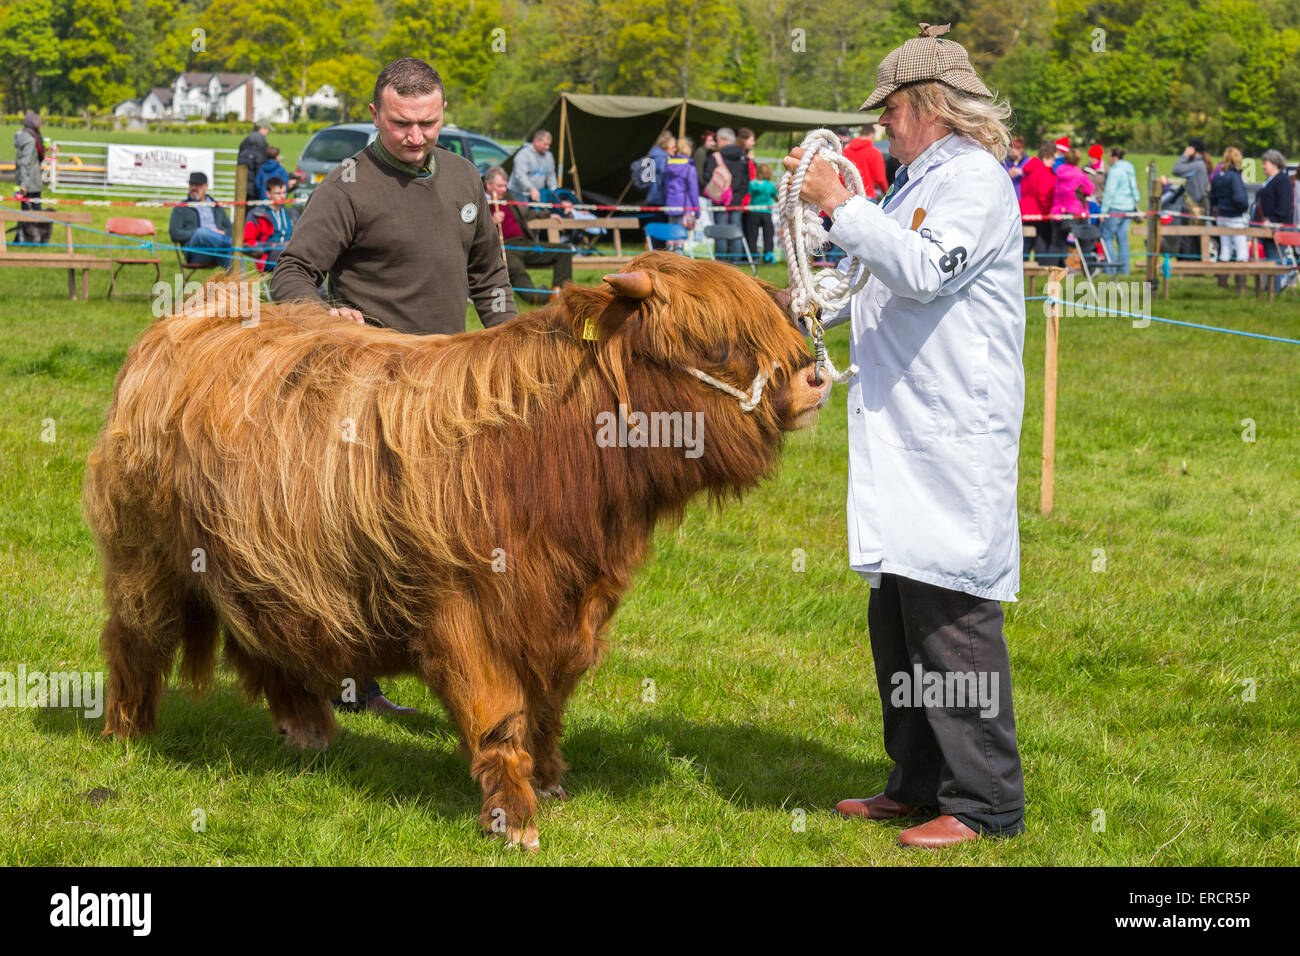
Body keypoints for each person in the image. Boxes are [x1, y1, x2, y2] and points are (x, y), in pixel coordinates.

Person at [782, 22, 1027, 848]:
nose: (881, 123)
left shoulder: (976, 183)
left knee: (952, 618)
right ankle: (918, 781)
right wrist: (800, 298)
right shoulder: (919, 180)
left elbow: (924, 271)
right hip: (907, 431)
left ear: (927, 105)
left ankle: (986, 800)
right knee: (899, 619)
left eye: (889, 109)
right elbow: (870, 278)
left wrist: (837, 202)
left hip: (952, 434)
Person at [271, 58, 515, 716]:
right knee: (368, 542)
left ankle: (456, 665)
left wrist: (513, 354)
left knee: (454, 538)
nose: (416, 136)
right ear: (376, 116)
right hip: (369, 395)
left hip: (451, 388)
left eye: (428, 122)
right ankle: (350, 681)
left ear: (444, 116)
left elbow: (489, 275)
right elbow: (292, 272)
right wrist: (325, 320)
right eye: (402, 123)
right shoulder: (347, 186)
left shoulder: (465, 177)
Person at [484, 165, 572, 304]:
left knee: (563, 250)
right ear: (488, 185)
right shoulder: (481, 200)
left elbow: (525, 213)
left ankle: (561, 294)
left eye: (505, 186)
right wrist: (491, 221)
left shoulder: (507, 197)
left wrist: (548, 214)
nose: (504, 189)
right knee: (516, 270)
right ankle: (536, 297)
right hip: (504, 247)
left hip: (524, 243)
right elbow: (474, 229)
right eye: (500, 186)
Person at [702, 127, 751, 262]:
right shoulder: (743, 157)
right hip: (736, 199)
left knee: (720, 229)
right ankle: (736, 260)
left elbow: (707, 176)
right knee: (736, 229)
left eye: (717, 140)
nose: (717, 143)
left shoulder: (715, 157)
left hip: (720, 199)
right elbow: (746, 180)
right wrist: (739, 195)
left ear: (723, 140)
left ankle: (721, 261)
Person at [168, 171, 233, 266]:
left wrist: (223, 233)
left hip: (218, 250)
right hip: (196, 253)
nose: (194, 188)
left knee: (233, 256)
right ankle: (237, 245)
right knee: (202, 232)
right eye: (191, 184)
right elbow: (174, 233)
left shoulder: (216, 206)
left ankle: (241, 280)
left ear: (206, 186)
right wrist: (197, 232)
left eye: (198, 185)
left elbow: (230, 229)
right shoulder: (181, 207)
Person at [1209, 147, 1249, 288]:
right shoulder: (1234, 176)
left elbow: (1212, 196)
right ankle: (1241, 285)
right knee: (1241, 249)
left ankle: (1222, 283)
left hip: (1221, 216)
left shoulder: (1218, 176)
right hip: (1234, 217)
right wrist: (1244, 207)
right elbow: (1240, 198)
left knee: (1225, 248)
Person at [242, 177, 300, 271]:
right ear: (268, 194)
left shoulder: (292, 214)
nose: (282, 196)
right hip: (269, 256)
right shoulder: (256, 214)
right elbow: (248, 242)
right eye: (278, 193)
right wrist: (271, 245)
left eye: (284, 192)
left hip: (293, 252)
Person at [1048, 147, 1094, 266]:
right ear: (1078, 160)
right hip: (1076, 212)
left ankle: (1054, 269)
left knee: (1057, 243)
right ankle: (1087, 268)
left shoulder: (1059, 172)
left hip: (1058, 212)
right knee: (1085, 241)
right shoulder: (1079, 174)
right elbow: (1090, 189)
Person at [1257, 149, 1294, 292]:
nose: (1262, 166)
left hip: (1277, 227)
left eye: (1265, 163)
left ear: (1274, 164)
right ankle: (1269, 287)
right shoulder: (1269, 180)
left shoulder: (1282, 181)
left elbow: (1284, 206)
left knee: (1275, 258)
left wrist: (1272, 220)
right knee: (1270, 258)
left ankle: (1274, 289)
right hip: (1266, 227)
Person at [1098, 146, 1139, 274]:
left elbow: (1109, 192)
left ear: (1114, 158)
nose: (1108, 159)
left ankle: (1110, 269)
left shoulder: (1115, 171)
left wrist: (1103, 212)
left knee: (1107, 237)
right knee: (1122, 239)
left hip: (1116, 207)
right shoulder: (1129, 169)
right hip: (1128, 207)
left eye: (1109, 156)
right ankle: (1124, 270)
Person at [12, 110, 50, 246]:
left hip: (26, 180)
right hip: (29, 182)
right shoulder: (30, 139)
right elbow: (26, 163)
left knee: (27, 210)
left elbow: (31, 159)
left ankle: (22, 239)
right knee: (33, 211)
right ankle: (29, 240)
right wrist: (24, 185)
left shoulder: (31, 137)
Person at [1019, 138, 1056, 261]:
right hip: (1039, 211)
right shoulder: (1043, 172)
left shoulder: (1030, 170)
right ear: (1046, 158)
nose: (1053, 162)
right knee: (1042, 240)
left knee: (1027, 242)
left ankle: (1023, 266)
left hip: (1026, 209)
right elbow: (1044, 195)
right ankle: (1041, 266)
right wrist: (1048, 210)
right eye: (1052, 159)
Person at [663, 136, 700, 246]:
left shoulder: (669, 165)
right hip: (685, 205)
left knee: (671, 232)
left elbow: (665, 187)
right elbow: (694, 191)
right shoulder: (690, 167)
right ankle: (679, 255)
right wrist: (697, 210)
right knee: (681, 234)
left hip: (670, 203)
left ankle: (669, 253)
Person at [1162, 138, 1209, 224]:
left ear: (1193, 150)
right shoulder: (1200, 164)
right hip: (1196, 206)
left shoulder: (1197, 165)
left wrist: (1185, 155)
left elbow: (1176, 170)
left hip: (1194, 207)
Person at [508, 129, 557, 203]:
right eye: (545, 144)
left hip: (537, 193)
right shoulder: (523, 155)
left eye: (549, 145)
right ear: (536, 141)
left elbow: (551, 175)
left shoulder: (549, 156)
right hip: (519, 193)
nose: (548, 147)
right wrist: (531, 189)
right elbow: (520, 175)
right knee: (525, 214)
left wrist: (554, 192)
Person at [644, 131, 675, 248]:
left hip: (652, 197)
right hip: (660, 198)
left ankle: (656, 251)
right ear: (665, 146)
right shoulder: (663, 159)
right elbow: (666, 179)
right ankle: (659, 254)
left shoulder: (652, 156)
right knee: (661, 229)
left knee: (655, 228)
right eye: (673, 146)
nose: (675, 149)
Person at [743, 163, 778, 262]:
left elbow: (748, 194)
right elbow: (776, 196)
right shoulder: (770, 185)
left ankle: (752, 256)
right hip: (766, 213)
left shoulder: (752, 184)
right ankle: (768, 255)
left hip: (753, 212)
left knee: (752, 236)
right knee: (768, 236)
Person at [843, 124, 888, 199]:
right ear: (872, 135)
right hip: (868, 196)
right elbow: (880, 178)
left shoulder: (845, 152)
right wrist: (886, 192)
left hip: (849, 197)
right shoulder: (874, 152)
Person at [237, 121, 271, 201]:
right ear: (262, 128)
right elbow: (262, 164)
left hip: (242, 184)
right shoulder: (262, 142)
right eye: (267, 129)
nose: (268, 132)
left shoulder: (245, 141)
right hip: (255, 185)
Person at [1001, 136, 1028, 200]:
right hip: (1007, 197)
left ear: (1021, 149)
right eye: (1011, 147)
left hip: (1022, 199)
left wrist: (1023, 172)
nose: (1013, 150)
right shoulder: (1003, 162)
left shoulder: (1027, 162)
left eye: (1017, 148)